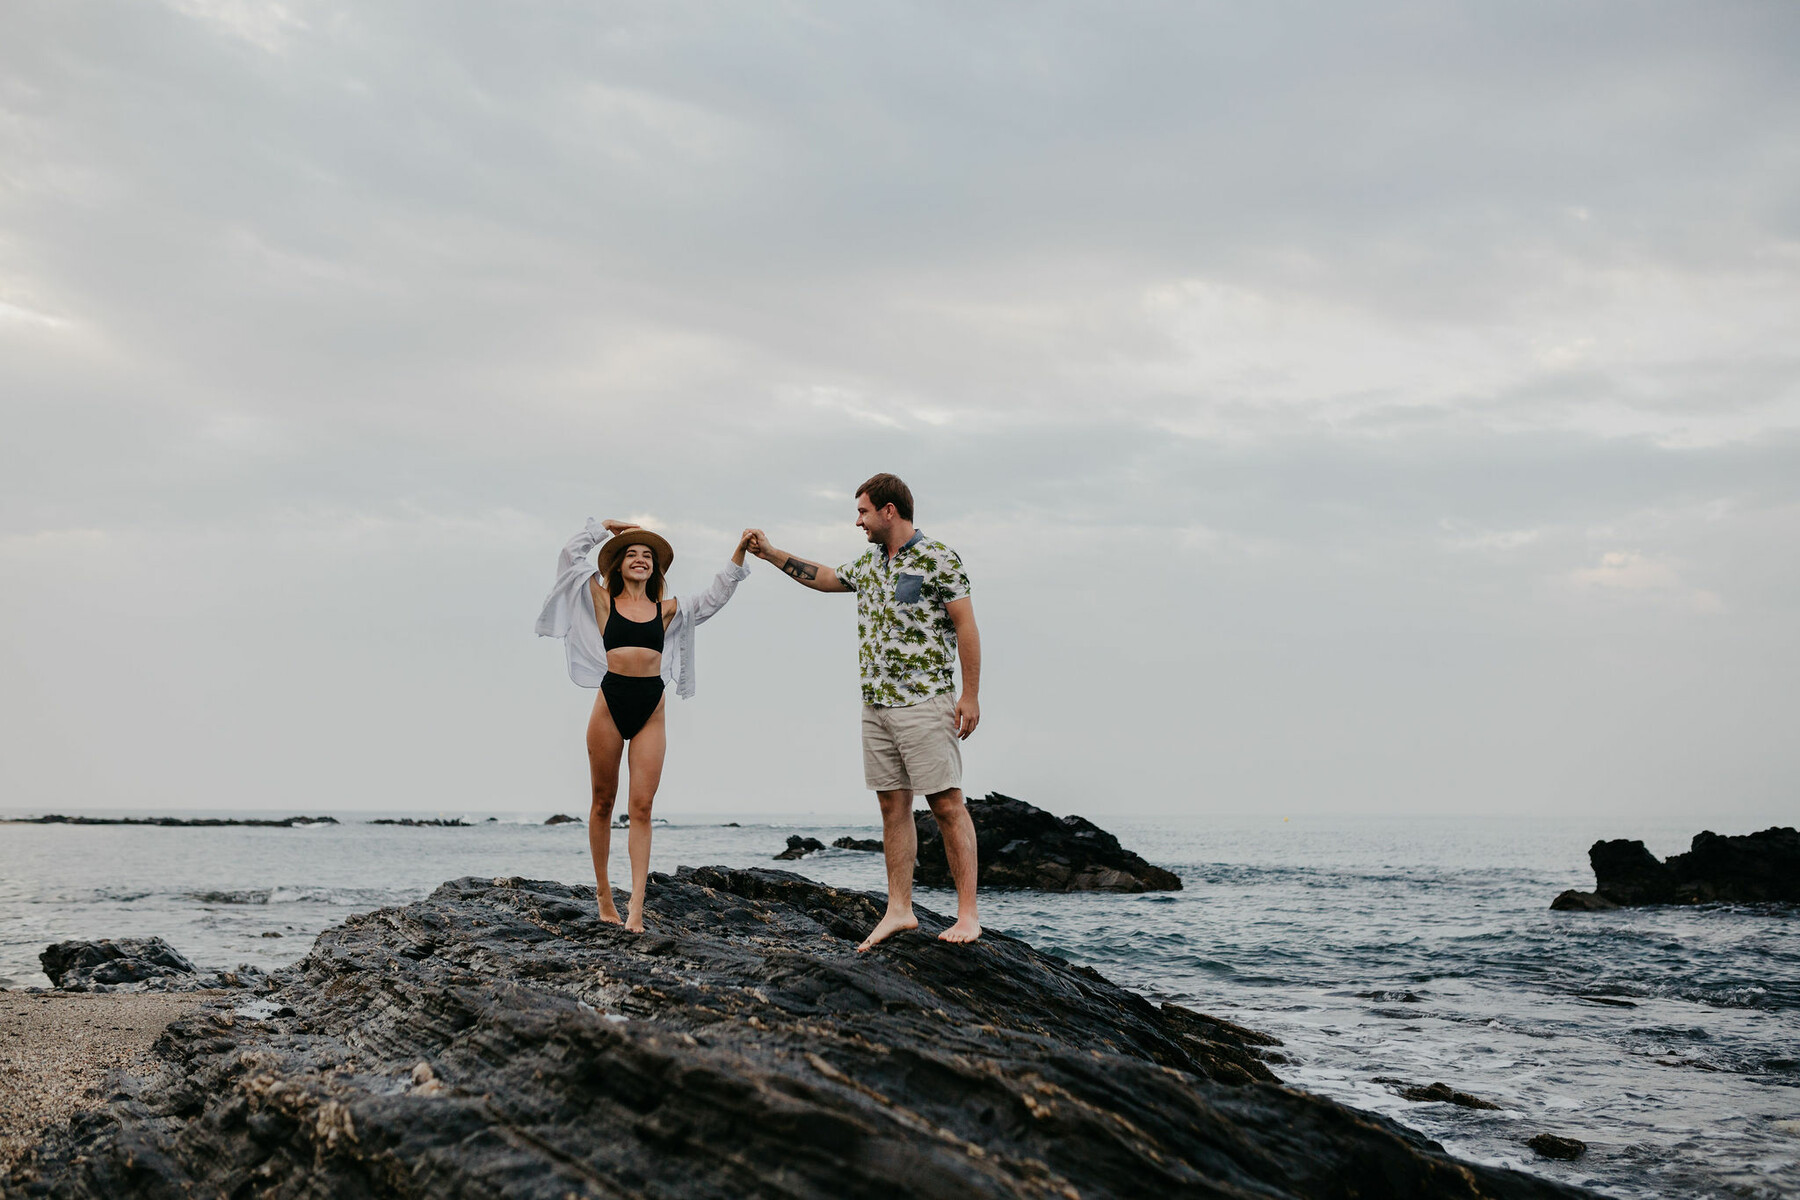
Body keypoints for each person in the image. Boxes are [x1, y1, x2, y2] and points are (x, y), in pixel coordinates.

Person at [746, 473, 983, 950]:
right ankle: (900, 909)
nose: (859, 521)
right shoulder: (872, 563)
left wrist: (970, 695)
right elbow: (827, 578)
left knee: (946, 805)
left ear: (889, 510)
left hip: (924, 702)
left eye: (863, 512)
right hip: (875, 705)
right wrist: (772, 555)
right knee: (892, 805)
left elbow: (966, 628)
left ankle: (968, 916)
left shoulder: (939, 558)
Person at [536, 517, 753, 930]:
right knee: (602, 802)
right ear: (618, 565)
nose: (640, 560)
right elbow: (569, 558)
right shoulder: (602, 600)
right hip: (610, 702)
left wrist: (739, 551)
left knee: (642, 806)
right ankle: (604, 895)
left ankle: (636, 905)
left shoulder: (669, 610)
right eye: (632, 554)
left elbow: (715, 596)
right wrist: (604, 528)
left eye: (647, 556)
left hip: (652, 706)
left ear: (657, 568)